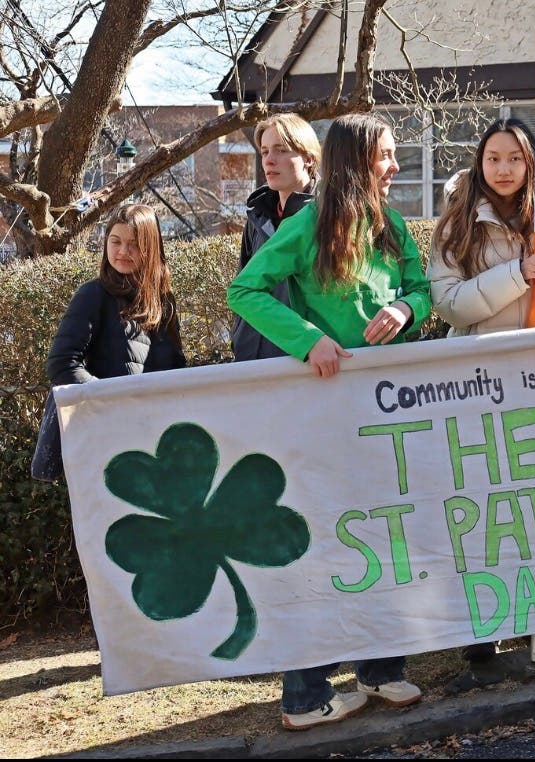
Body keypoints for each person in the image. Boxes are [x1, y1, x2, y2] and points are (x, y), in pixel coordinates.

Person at [227, 113, 432, 730]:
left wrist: (406, 308)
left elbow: (423, 289)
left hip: (386, 414)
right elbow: (246, 290)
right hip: (322, 418)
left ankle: (380, 668)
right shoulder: (307, 226)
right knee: (319, 546)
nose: (395, 166)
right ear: (355, 161)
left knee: (383, 534)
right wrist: (309, 339)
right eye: (386, 156)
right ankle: (305, 692)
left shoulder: (393, 226)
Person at [427, 117, 535, 665]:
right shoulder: (457, 227)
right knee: (482, 510)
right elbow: (450, 304)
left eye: (514, 157)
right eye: (493, 158)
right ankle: (479, 624)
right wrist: (516, 273)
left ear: (530, 161)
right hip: (475, 386)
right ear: (479, 162)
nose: (504, 168)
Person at [47, 204, 187, 390]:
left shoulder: (164, 300)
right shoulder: (92, 294)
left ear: (151, 247)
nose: (123, 251)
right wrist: (108, 398)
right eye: (115, 242)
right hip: (107, 415)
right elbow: (61, 365)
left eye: (134, 243)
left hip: (157, 416)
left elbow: (177, 367)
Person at [232, 113, 320, 361]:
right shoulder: (256, 217)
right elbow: (243, 288)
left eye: (281, 150)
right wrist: (240, 337)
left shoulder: (328, 216)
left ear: (309, 159)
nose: (269, 160)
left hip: (308, 360)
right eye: (265, 151)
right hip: (252, 359)